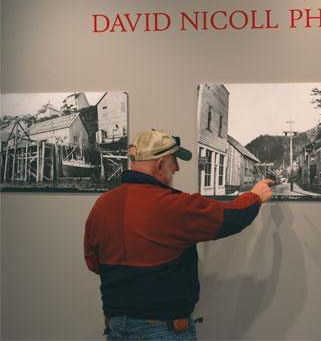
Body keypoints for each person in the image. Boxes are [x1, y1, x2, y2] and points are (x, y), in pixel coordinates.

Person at [84, 129, 273, 340]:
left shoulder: (102, 205)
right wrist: (255, 196)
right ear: (160, 164)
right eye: (174, 160)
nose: (177, 167)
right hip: (162, 331)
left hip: (116, 329)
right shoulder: (173, 206)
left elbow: (93, 263)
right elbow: (233, 216)